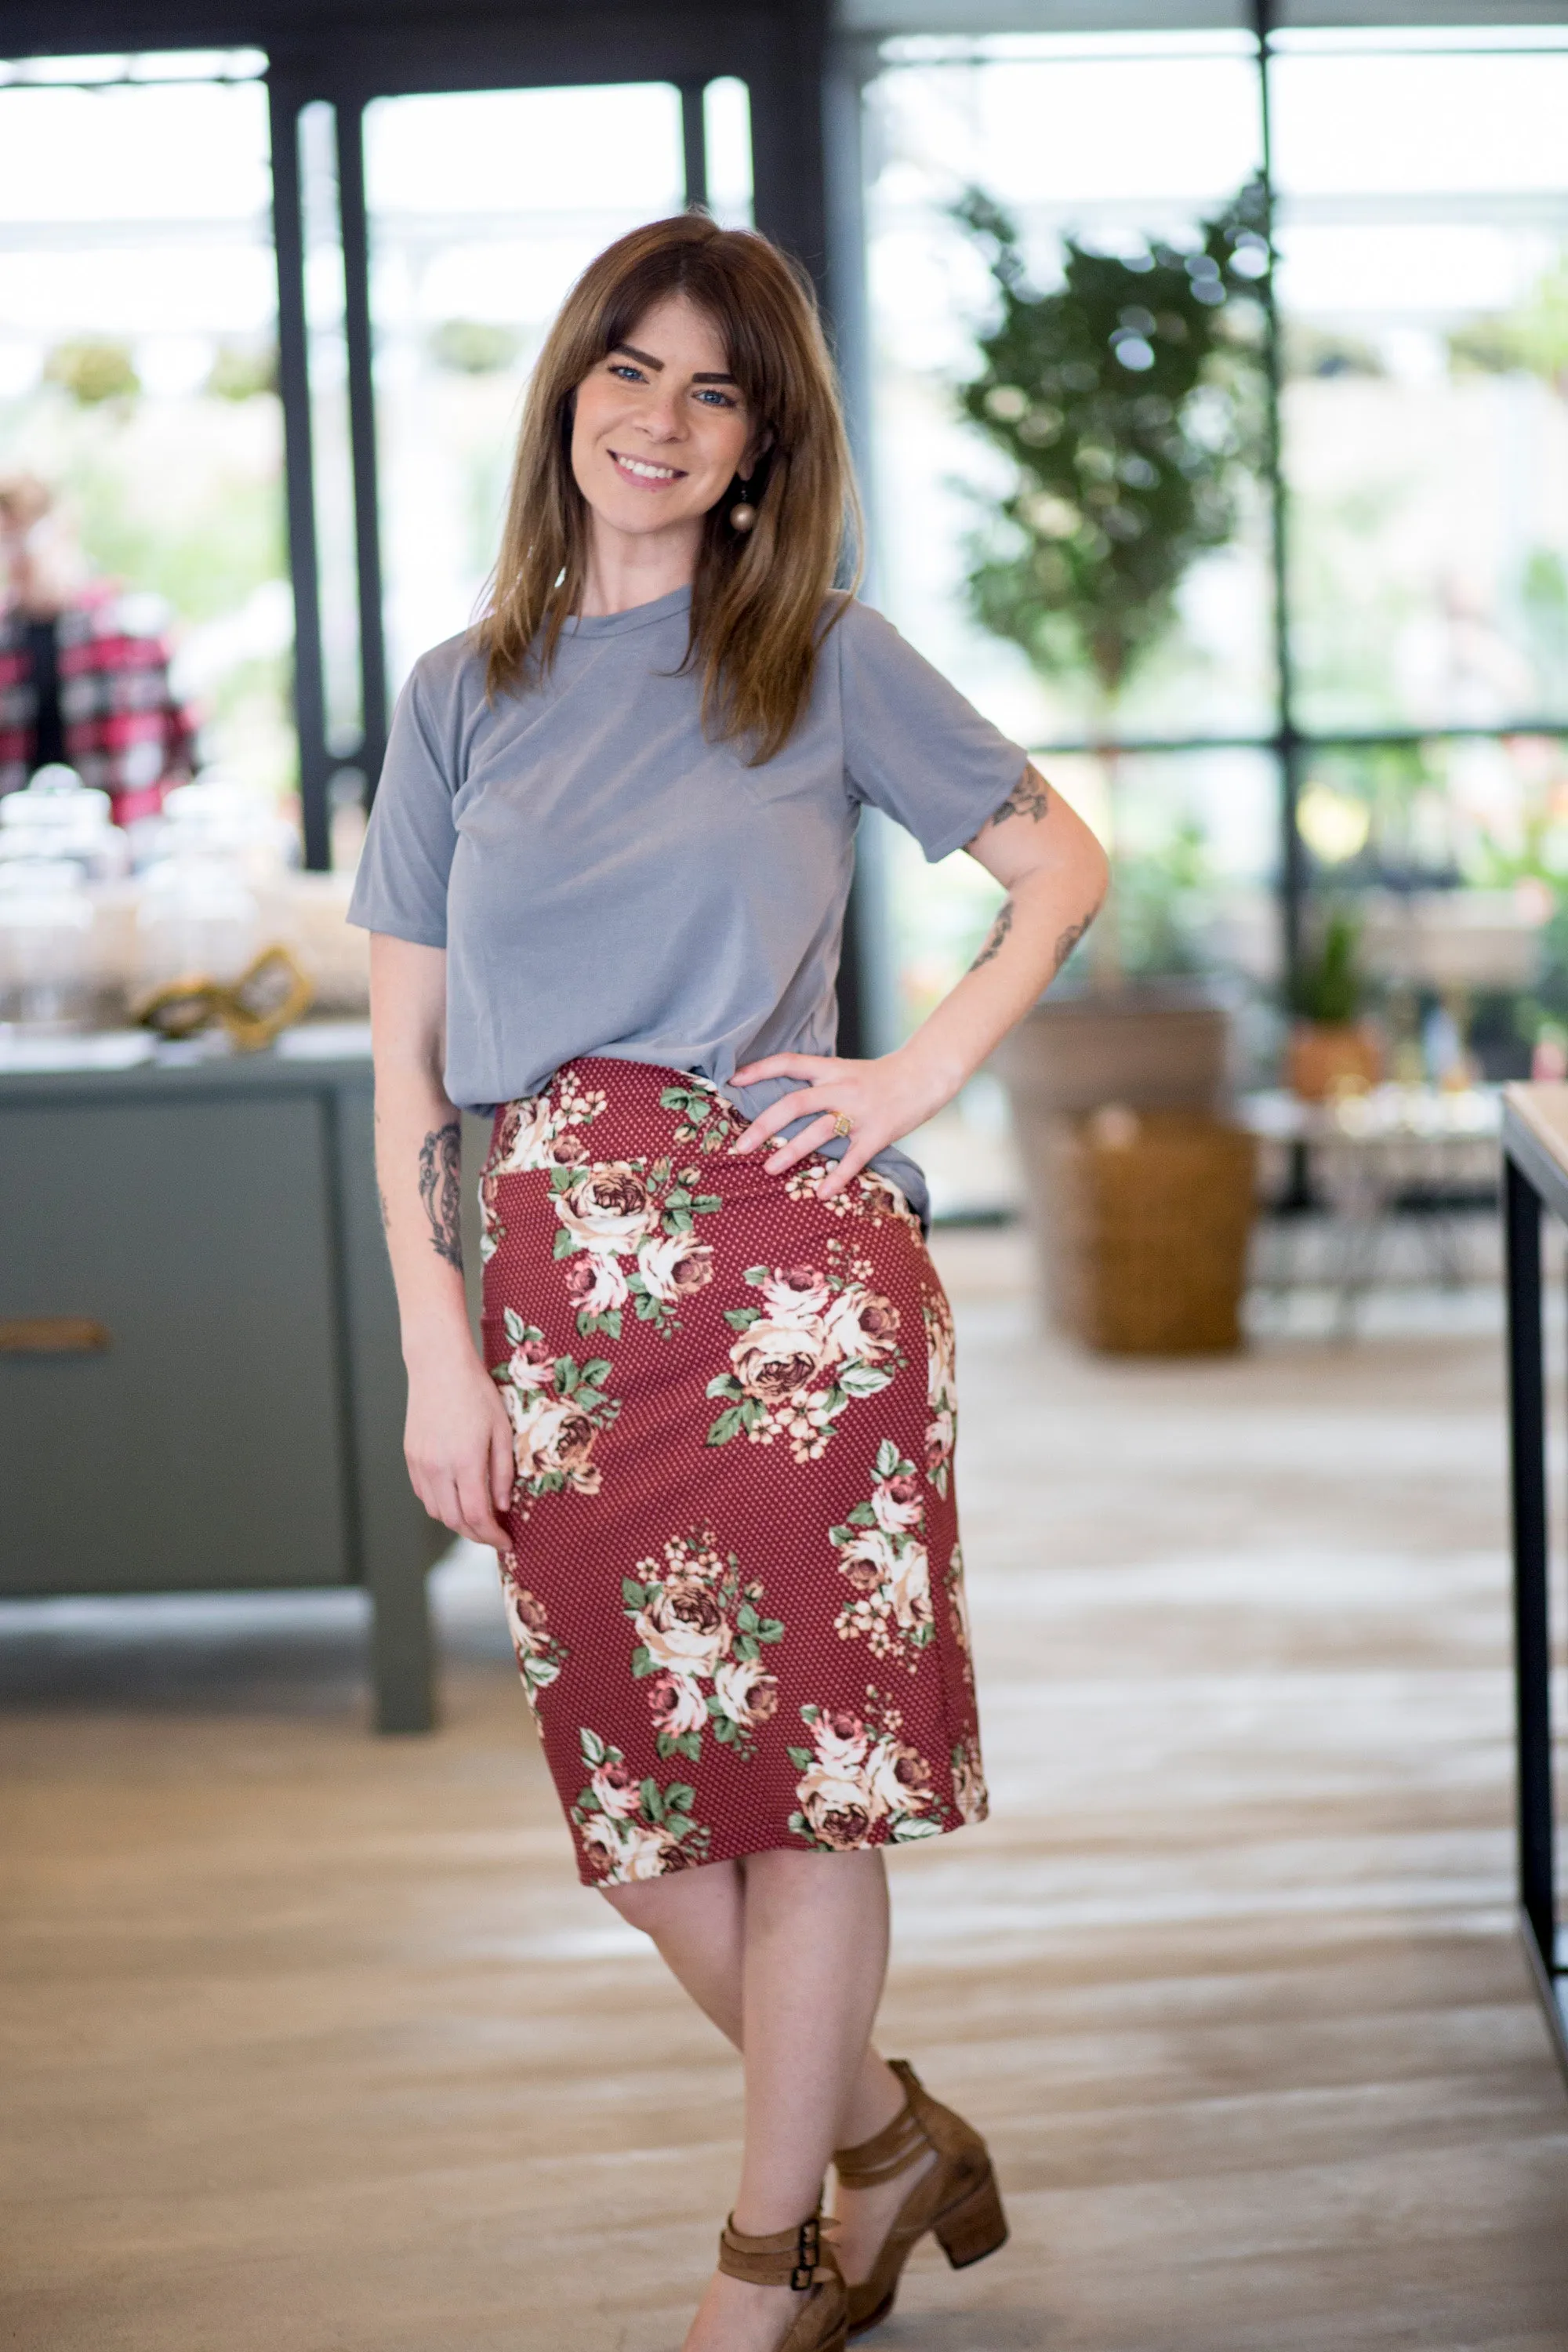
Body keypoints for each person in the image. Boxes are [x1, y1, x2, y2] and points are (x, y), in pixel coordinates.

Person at [350, 214, 1107, 2352]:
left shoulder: (822, 658)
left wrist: (909, 1074)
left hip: (795, 1296)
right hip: (556, 1305)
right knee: (646, 1817)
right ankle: (882, 2144)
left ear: (764, 443)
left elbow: (1062, 862)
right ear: (570, 389)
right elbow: (408, 1067)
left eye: (715, 389)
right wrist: (441, 1349)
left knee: (802, 1794)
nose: (659, 418)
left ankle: (765, 2271)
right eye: (629, 367)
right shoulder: (459, 697)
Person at [0, 472, 195, 819]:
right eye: (5, 540)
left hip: (127, 852)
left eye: (25, 538)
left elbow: (196, 752)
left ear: (63, 530)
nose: (15, 557)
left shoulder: (136, 628)